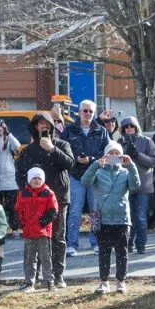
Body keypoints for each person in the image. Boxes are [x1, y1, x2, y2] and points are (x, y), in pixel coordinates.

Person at [14, 113, 75, 287]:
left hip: (58, 198)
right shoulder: (28, 151)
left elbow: (70, 164)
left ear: (52, 126)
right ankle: (35, 278)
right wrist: (26, 193)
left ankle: (58, 276)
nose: (44, 126)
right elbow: (20, 174)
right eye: (40, 123)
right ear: (35, 127)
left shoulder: (62, 145)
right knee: (36, 238)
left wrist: (53, 149)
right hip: (34, 201)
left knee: (58, 238)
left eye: (46, 123)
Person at [81, 141, 139, 294]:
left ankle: (121, 281)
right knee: (104, 252)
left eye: (116, 153)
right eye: (110, 153)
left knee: (122, 252)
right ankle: (104, 282)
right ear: (105, 155)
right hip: (102, 217)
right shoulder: (99, 172)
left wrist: (131, 165)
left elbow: (135, 186)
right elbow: (85, 181)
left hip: (122, 217)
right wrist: (96, 164)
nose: (113, 156)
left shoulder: (125, 172)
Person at [62, 100, 111, 256]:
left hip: (95, 176)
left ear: (94, 113)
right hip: (76, 176)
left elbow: (108, 153)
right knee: (74, 212)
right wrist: (76, 158)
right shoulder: (69, 130)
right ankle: (71, 244)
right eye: (85, 111)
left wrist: (91, 159)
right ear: (79, 112)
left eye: (91, 111)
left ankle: (96, 242)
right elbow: (62, 150)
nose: (88, 114)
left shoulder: (102, 131)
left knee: (95, 212)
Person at [15, 167, 59, 292]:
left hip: (43, 232)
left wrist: (42, 223)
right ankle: (29, 282)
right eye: (34, 178)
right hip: (29, 232)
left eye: (39, 178)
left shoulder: (48, 193)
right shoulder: (23, 194)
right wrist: (22, 223)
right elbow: (18, 210)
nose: (36, 180)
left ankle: (49, 281)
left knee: (46, 258)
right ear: (29, 179)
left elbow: (53, 211)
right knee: (29, 259)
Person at [118, 116, 155, 254]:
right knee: (127, 217)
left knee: (140, 217)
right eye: (126, 127)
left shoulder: (147, 141)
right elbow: (114, 162)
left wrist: (137, 155)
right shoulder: (120, 142)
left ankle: (141, 244)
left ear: (136, 127)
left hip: (143, 185)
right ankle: (127, 244)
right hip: (125, 185)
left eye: (132, 126)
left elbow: (154, 161)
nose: (129, 129)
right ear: (122, 129)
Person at [0, 119, 22, 237]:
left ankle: (15, 228)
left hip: (10, 179)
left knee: (12, 206)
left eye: (0, 126)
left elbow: (17, 146)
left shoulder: (8, 140)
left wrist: (8, 133)